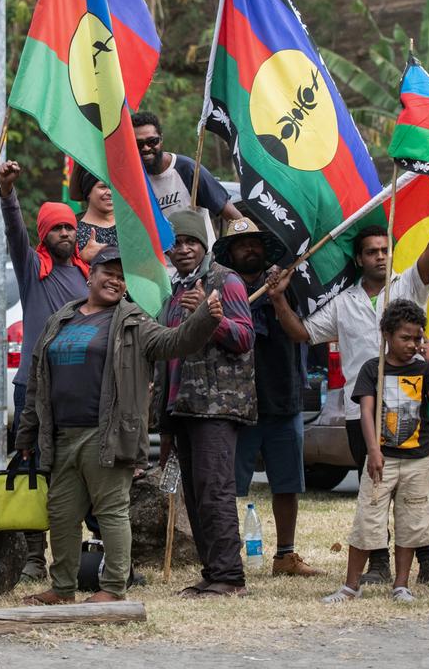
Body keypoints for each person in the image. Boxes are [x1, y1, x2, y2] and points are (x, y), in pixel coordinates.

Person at [17, 247, 224, 605]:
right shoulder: (61, 318)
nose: (114, 280)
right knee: (61, 514)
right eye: (107, 273)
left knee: (111, 511)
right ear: (90, 275)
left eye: (120, 276)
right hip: (62, 435)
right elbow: (38, 378)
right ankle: (62, 588)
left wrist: (204, 318)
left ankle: (113, 588)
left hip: (106, 434)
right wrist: (27, 432)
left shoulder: (132, 320)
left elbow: (173, 342)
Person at [273, 217, 429, 588]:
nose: (380, 257)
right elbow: (302, 332)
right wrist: (278, 298)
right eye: (372, 252)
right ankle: (377, 564)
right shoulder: (343, 303)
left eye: (385, 250)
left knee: (418, 488)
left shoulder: (407, 284)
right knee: (372, 487)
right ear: (358, 259)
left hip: (410, 407)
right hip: (363, 413)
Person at [212, 217, 320, 578]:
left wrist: (277, 299)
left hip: (282, 396)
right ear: (230, 252)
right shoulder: (220, 290)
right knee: (228, 485)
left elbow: (301, 333)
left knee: (287, 482)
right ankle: (227, 557)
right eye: (242, 244)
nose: (250, 249)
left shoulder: (285, 285)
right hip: (235, 404)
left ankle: (285, 556)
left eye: (256, 243)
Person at [0, 159, 91, 579]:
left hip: (76, 390)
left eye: (70, 227)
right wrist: (7, 192)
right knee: (31, 466)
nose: (65, 234)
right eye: (57, 228)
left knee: (72, 468)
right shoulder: (34, 269)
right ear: (45, 234)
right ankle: (34, 557)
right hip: (32, 388)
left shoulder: (92, 277)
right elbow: (14, 231)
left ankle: (71, 554)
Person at [155, 209, 255, 597]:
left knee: (215, 489)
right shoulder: (173, 292)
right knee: (194, 496)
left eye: (190, 242)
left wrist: (212, 317)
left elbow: (245, 338)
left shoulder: (224, 281)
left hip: (216, 405)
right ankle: (213, 571)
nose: (182, 250)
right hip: (181, 406)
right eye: (176, 243)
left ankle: (230, 577)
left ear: (204, 245)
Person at [322, 299, 429, 604]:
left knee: (411, 523)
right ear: (387, 336)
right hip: (383, 458)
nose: (411, 344)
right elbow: (366, 412)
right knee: (368, 520)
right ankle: (351, 585)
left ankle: (401, 585)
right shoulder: (372, 369)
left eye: (417, 338)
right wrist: (373, 450)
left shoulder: (422, 368)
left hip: (418, 459)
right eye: (405, 337)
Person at [131, 111, 242, 222]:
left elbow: (232, 214)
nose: (146, 148)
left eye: (152, 141)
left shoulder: (187, 169)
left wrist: (250, 236)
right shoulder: (132, 180)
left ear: (161, 139)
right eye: (139, 144)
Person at [69, 164, 117, 253]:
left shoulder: (129, 225)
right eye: (103, 187)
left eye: (113, 187)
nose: (110, 192)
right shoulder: (71, 231)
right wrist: (82, 258)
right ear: (88, 192)